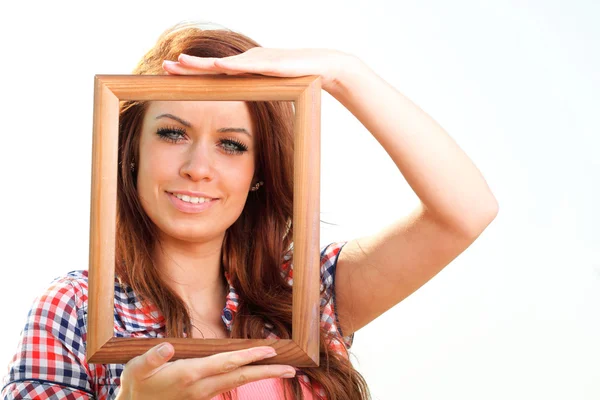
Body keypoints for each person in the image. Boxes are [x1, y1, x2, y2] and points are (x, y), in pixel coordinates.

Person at [1, 21, 498, 400]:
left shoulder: (304, 294)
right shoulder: (75, 308)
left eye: (232, 145)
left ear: (259, 171)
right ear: (130, 150)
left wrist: (344, 73)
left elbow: (466, 211)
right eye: (173, 133)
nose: (199, 168)